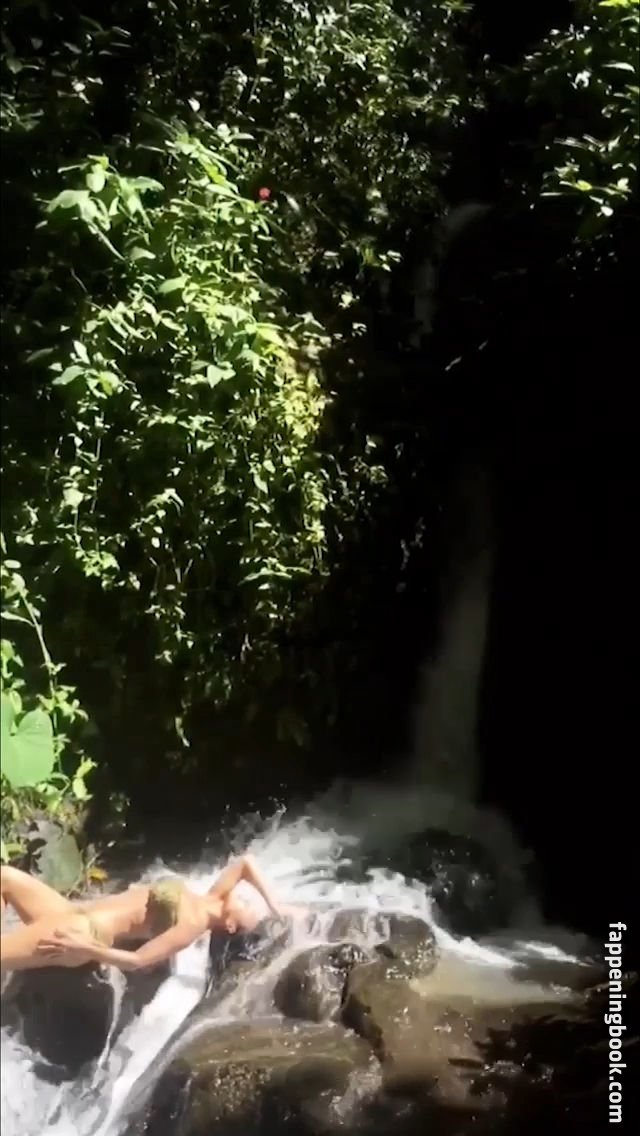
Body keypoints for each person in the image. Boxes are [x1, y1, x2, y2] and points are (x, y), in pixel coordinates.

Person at [1, 854, 294, 974]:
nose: (249, 902)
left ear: (230, 926)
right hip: (72, 912)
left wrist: (86, 949)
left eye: (250, 911)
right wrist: (277, 906)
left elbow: (138, 960)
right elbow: (246, 863)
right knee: (5, 877)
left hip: (82, 933)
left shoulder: (192, 926)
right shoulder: (213, 896)